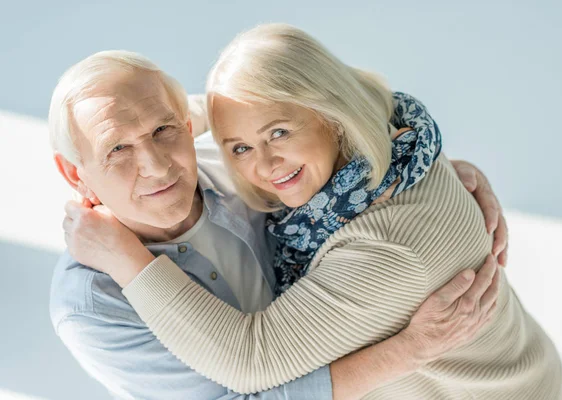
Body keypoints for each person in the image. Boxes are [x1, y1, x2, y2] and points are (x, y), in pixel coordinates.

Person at [51, 47, 507, 399]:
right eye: (117, 150)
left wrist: (430, 166)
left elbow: (334, 111)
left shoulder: (243, 159)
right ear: (74, 173)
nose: (155, 164)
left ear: (188, 127)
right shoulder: (92, 306)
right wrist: (409, 351)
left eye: (163, 132)